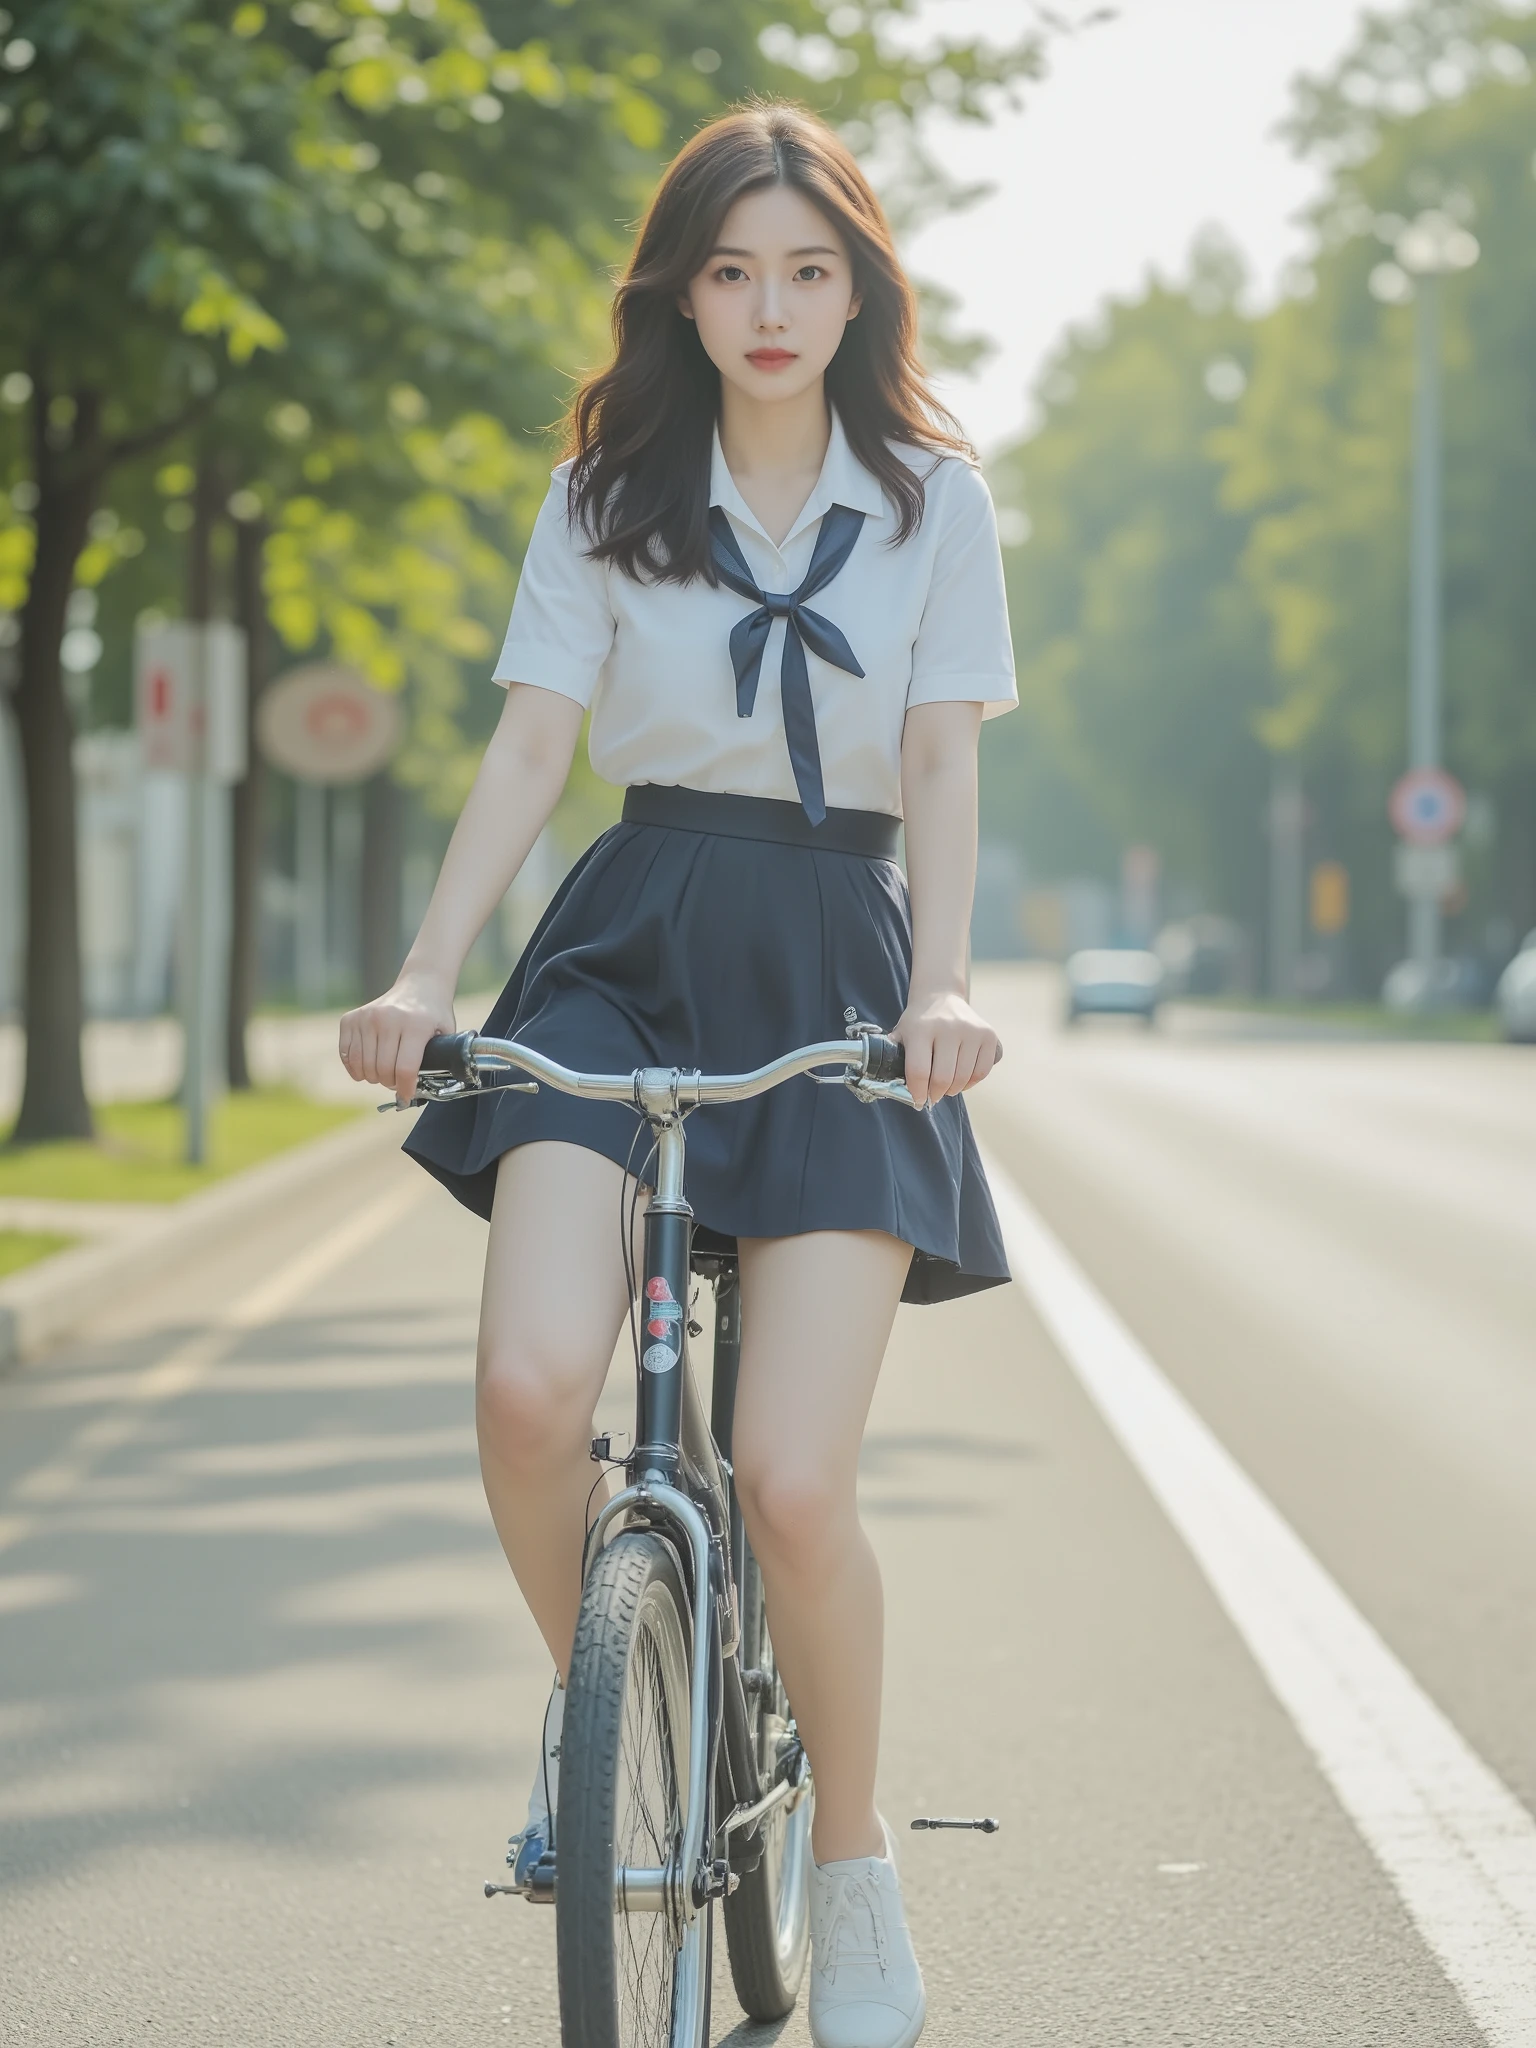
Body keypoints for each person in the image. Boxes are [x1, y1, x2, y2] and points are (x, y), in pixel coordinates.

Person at [339, 99, 1015, 2048]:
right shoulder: (608, 486)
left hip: (835, 953)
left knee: (797, 1484)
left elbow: (950, 759)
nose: (771, 306)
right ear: (684, 295)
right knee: (530, 1381)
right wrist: (421, 973)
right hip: (624, 948)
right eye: (732, 270)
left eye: (810, 268)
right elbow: (533, 743)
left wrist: (949, 983)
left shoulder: (931, 498)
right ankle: (599, 1711)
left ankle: (858, 1855)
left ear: (857, 285)